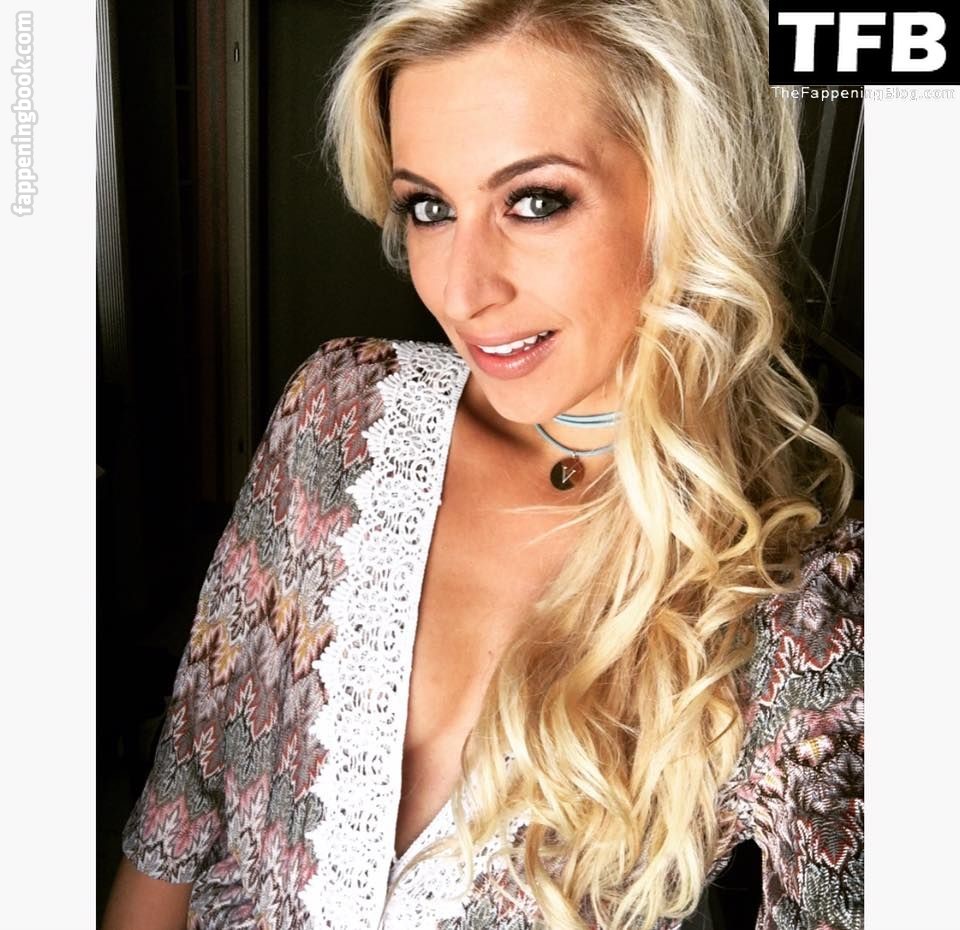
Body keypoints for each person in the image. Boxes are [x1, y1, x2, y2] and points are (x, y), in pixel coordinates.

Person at [102, 1, 864, 928]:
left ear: (692, 190)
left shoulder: (800, 601)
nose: (460, 291)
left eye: (535, 200)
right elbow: (184, 796)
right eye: (428, 207)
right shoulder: (340, 417)